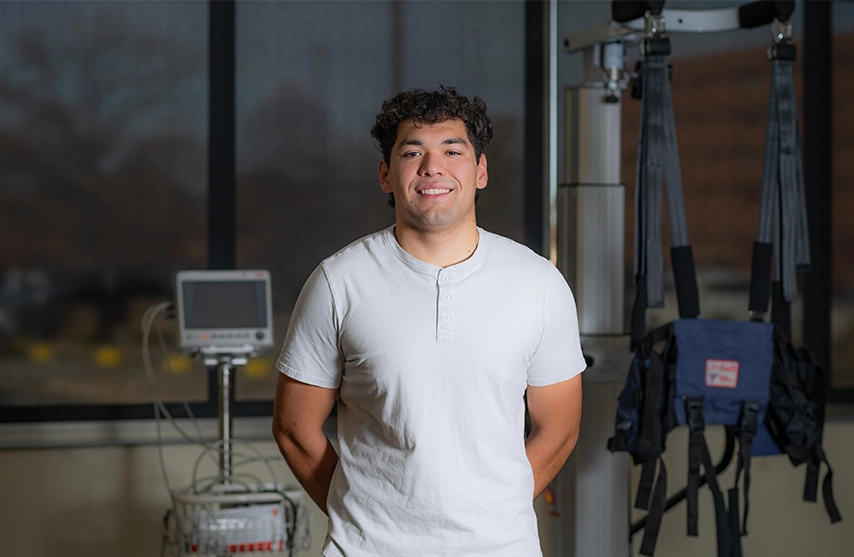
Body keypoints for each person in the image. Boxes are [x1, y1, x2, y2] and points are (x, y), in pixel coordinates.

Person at [272, 86, 586, 557]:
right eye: (412, 151)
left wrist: (495, 510)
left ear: (480, 171)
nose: (432, 167)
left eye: (453, 150)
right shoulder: (338, 282)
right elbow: (295, 429)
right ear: (385, 174)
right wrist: (361, 518)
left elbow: (558, 430)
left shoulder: (538, 283)